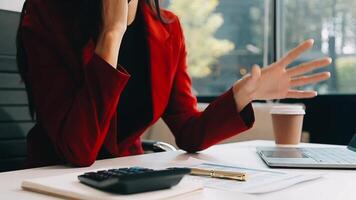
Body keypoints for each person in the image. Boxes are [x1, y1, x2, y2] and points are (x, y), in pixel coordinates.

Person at [17, 0, 331, 168]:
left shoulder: (166, 28)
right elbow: (78, 150)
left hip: (130, 184)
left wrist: (243, 93)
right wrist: (112, 32)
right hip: (50, 183)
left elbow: (190, 132)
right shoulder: (46, 14)